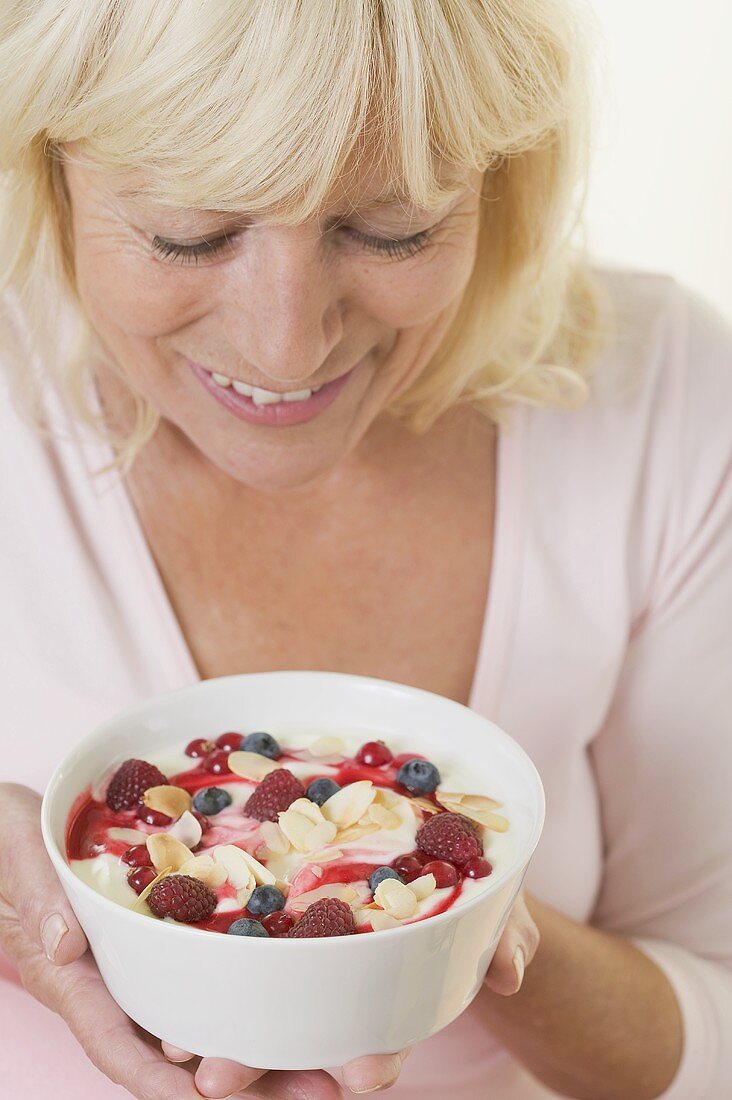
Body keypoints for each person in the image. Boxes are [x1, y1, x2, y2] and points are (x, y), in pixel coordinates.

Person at [0, 1, 730, 1098]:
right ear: (47, 172)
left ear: (501, 182)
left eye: (392, 231)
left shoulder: (663, 395)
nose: (285, 344)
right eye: (187, 234)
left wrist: (453, 918)